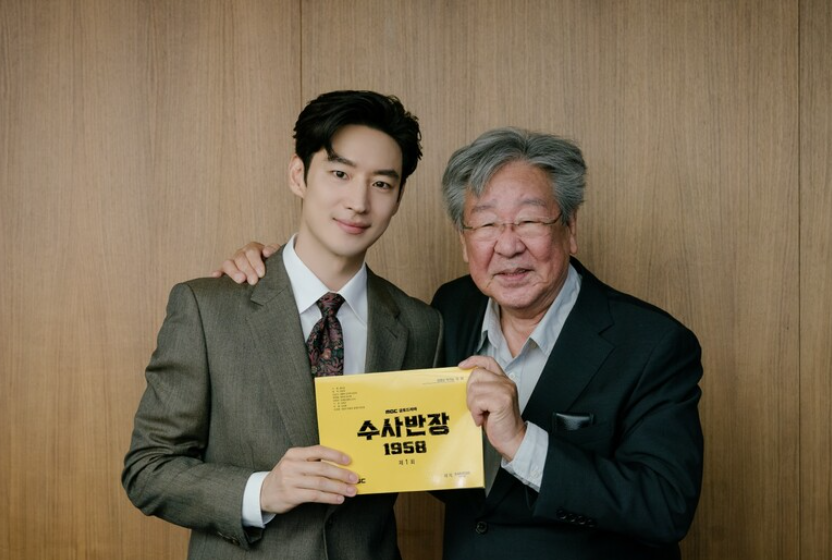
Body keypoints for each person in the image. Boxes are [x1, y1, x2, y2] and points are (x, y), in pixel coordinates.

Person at [217, 127, 704, 560]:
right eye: (486, 224)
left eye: (530, 221)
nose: (508, 245)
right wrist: (281, 274)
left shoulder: (653, 343)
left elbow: (665, 508)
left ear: (570, 228)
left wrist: (522, 442)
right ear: (463, 240)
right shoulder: (447, 312)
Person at [122, 90, 442, 560]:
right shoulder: (207, 308)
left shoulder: (420, 325)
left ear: (398, 198)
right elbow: (147, 470)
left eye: (381, 184)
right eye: (339, 174)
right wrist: (261, 491)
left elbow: (430, 456)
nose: (358, 202)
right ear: (298, 175)